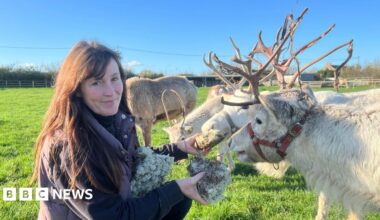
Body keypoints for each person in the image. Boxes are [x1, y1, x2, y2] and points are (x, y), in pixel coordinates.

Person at [31, 41, 209, 219]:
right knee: (177, 196)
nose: (111, 91)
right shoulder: (70, 146)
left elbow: (130, 157)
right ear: (77, 89)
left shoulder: (114, 122)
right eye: (96, 82)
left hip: (116, 206)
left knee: (179, 200)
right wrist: (175, 189)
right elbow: (115, 216)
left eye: (114, 79)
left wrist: (181, 147)